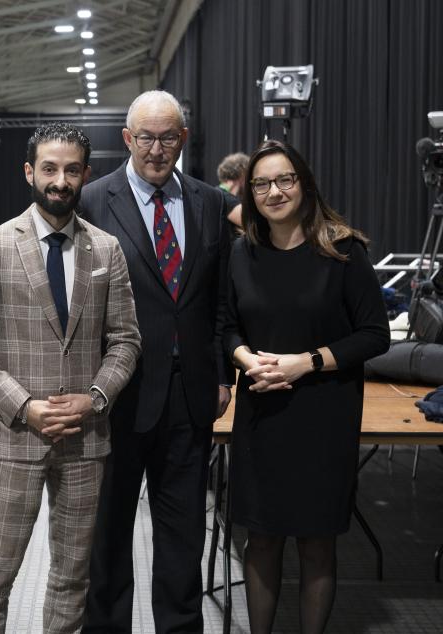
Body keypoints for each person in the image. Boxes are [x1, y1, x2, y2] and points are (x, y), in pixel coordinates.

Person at [0, 123, 141, 633]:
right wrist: (25, 406)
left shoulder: (106, 250)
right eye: (50, 169)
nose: (61, 180)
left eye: (72, 170)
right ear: (29, 172)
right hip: (15, 437)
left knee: (72, 575)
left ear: (86, 175)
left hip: (85, 440)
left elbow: (126, 340)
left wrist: (96, 398)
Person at [79, 90, 235, 634]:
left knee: (182, 539)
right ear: (126, 139)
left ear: (183, 140)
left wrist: (220, 373)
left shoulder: (209, 202)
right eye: (145, 137)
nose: (156, 148)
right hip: (117, 398)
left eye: (168, 137)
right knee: (109, 538)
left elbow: (219, 301)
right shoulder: (93, 201)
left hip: (190, 399)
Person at [223, 140, 390, 633]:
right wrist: (245, 357)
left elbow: (374, 335)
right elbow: (226, 326)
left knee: (317, 542)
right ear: (250, 194)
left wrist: (307, 362)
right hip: (262, 413)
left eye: (284, 180)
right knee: (263, 539)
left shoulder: (342, 250)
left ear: (304, 184)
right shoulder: (240, 254)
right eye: (261, 184)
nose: (274, 191)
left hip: (324, 414)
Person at [217, 151, 249, 229]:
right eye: (249, 174)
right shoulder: (225, 198)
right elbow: (252, 225)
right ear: (242, 172)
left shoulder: (218, 193)